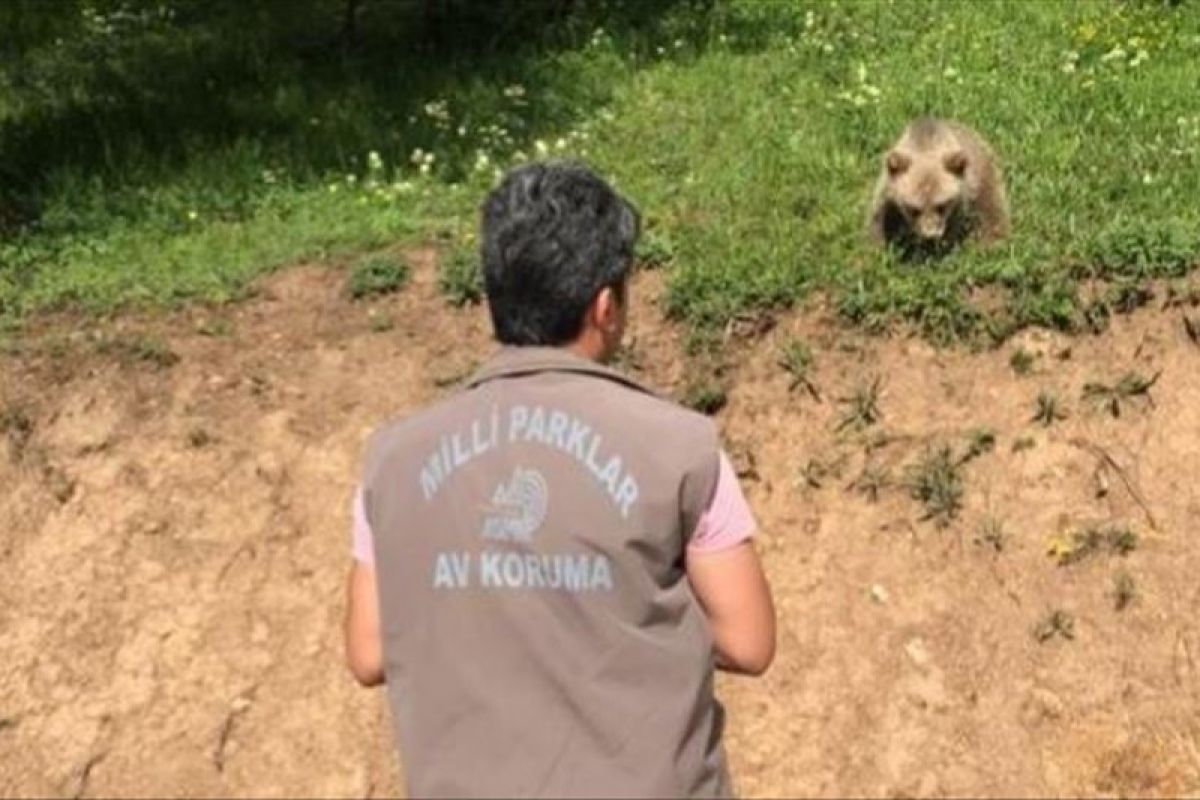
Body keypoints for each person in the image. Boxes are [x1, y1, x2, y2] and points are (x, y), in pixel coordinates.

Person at [343, 161, 775, 798]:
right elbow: (748, 640)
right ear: (606, 306)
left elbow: (369, 651)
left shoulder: (392, 459)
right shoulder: (682, 446)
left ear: (495, 296)